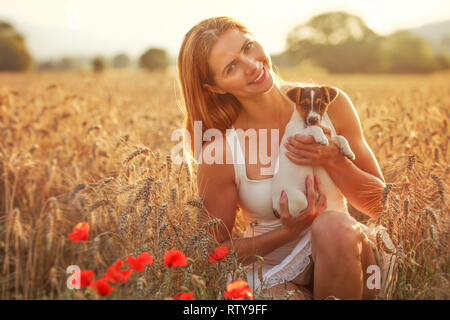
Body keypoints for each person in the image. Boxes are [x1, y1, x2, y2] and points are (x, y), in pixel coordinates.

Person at [176, 16, 387, 300]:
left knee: (332, 224)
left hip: (346, 250)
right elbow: (213, 250)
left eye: (248, 46)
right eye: (231, 67)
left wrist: (334, 160)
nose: (252, 66)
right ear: (216, 88)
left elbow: (384, 208)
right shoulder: (222, 151)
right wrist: (287, 233)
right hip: (273, 268)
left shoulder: (328, 106)